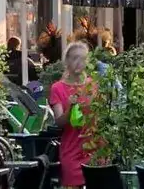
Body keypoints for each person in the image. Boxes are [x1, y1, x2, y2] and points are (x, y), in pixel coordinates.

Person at [46, 40, 99, 189]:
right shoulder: (58, 88)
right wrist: (71, 108)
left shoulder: (93, 85)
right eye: (75, 58)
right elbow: (59, 122)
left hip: (94, 148)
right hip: (71, 150)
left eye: (82, 59)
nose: (78, 63)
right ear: (67, 61)